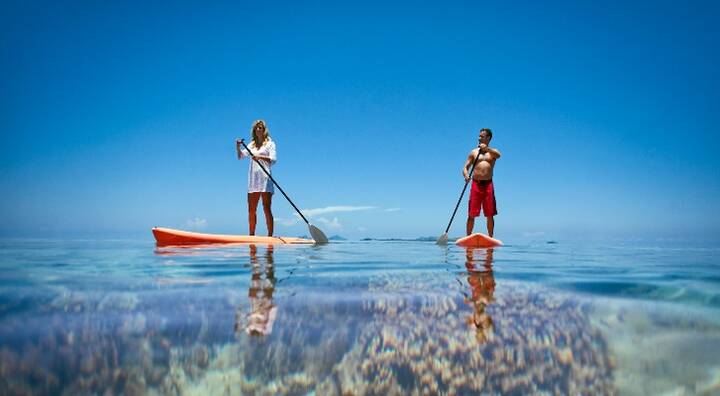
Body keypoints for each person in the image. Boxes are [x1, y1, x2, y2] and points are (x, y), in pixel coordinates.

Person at [236, 120, 277, 236]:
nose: (259, 130)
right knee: (251, 209)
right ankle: (251, 236)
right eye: (257, 128)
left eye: (261, 128)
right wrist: (238, 146)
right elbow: (240, 156)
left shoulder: (270, 144)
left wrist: (259, 157)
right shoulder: (251, 144)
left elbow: (273, 160)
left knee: (266, 208)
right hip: (253, 179)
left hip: (265, 179)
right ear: (254, 130)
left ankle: (270, 236)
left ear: (264, 130)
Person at [463, 128, 501, 237]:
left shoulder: (493, 152)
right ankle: (468, 237)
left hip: (488, 185)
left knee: (490, 214)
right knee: (471, 214)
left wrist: (487, 149)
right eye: (479, 136)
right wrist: (466, 175)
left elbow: (499, 155)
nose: (479, 138)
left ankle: (490, 238)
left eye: (482, 136)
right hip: (476, 184)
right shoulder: (474, 152)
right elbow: (465, 167)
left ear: (488, 138)